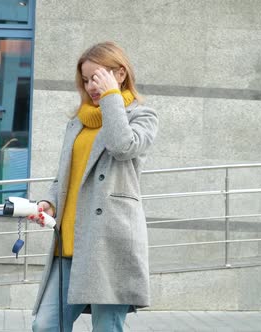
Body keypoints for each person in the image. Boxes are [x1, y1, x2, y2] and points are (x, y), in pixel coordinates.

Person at [30, 41, 159, 332]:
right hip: (69, 241)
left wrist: (111, 96)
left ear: (120, 74)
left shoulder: (142, 116)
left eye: (97, 77)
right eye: (86, 80)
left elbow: (122, 145)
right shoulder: (77, 123)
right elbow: (65, 177)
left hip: (109, 242)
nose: (90, 86)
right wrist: (49, 202)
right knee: (46, 325)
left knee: (106, 328)